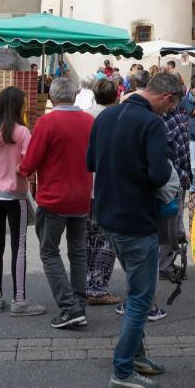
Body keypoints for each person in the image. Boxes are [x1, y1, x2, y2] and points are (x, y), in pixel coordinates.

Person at [87, 72, 184, 388]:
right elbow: (158, 174)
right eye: (170, 109)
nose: (167, 115)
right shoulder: (151, 123)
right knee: (141, 297)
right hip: (136, 219)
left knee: (136, 289)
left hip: (107, 215)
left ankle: (137, 356)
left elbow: (91, 163)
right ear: (167, 98)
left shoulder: (106, 115)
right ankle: (123, 369)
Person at [19, 77, 94, 330]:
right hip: (82, 195)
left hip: (54, 198)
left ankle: (69, 307)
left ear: (51, 97)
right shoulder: (88, 121)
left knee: (49, 252)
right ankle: (79, 303)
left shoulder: (46, 123)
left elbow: (29, 164)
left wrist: (19, 169)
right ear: (74, 96)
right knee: (78, 251)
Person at [0, 87, 45, 317]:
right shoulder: (22, 133)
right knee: (19, 247)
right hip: (16, 196)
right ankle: (19, 299)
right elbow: (29, 163)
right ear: (17, 106)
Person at [85, 78, 120, 305]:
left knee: (88, 236)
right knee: (109, 238)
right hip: (110, 184)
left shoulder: (84, 115)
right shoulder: (117, 117)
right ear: (115, 96)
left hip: (86, 183)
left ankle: (86, 284)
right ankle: (96, 288)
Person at [159, 102, 192, 282]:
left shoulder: (177, 113)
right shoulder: (158, 119)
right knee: (168, 227)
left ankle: (167, 263)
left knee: (174, 225)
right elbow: (165, 155)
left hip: (182, 177)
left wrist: (187, 175)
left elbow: (183, 147)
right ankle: (163, 266)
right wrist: (179, 175)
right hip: (171, 180)